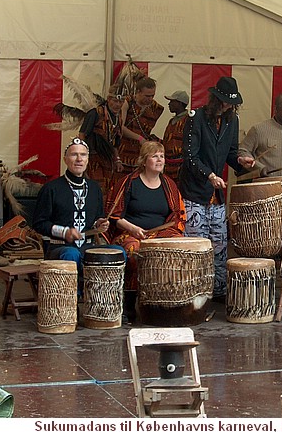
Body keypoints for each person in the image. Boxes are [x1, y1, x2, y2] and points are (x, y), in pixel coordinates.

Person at [179, 76, 255, 302]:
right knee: (198, 243)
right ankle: (196, 292)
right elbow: (190, 157)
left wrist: (241, 160)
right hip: (195, 189)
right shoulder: (197, 118)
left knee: (220, 243)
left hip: (216, 192)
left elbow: (231, 152)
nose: (227, 106)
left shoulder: (233, 120)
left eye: (231, 103)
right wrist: (209, 175)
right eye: (223, 101)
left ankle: (219, 291)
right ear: (214, 99)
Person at [106, 141, 186, 322]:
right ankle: (130, 305)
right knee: (134, 252)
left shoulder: (169, 185)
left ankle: (166, 304)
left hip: (160, 233)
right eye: (154, 156)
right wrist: (133, 228)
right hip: (132, 233)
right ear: (144, 160)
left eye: (162, 156)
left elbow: (177, 216)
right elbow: (114, 217)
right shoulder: (128, 183)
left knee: (177, 249)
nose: (159, 160)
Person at [32, 138, 123, 295]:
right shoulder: (51, 188)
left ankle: (106, 301)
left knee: (118, 251)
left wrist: (99, 224)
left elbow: (97, 219)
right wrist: (64, 231)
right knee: (72, 253)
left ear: (88, 159)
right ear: (65, 159)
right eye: (74, 155)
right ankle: (71, 299)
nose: (79, 159)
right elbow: (39, 223)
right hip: (59, 248)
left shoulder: (94, 189)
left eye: (83, 155)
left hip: (87, 247)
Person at [238, 93, 282, 177]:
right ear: (276, 109)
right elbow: (243, 151)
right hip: (265, 184)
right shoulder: (258, 129)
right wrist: (259, 168)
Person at [78, 85, 125, 197]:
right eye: (115, 101)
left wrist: (117, 160)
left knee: (109, 190)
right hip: (94, 159)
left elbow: (115, 143)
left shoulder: (118, 117)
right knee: (96, 188)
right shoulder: (95, 113)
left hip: (108, 160)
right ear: (108, 99)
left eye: (121, 101)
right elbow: (82, 135)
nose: (118, 104)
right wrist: (82, 158)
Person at [120, 77, 164, 170]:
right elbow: (121, 127)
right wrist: (140, 138)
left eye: (152, 95)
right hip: (124, 150)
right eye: (147, 96)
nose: (150, 99)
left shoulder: (156, 108)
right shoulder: (127, 102)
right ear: (138, 92)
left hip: (142, 152)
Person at [161, 90, 190, 183]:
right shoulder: (172, 121)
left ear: (180, 103)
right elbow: (168, 142)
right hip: (168, 166)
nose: (169, 104)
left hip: (180, 167)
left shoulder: (188, 121)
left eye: (172, 102)